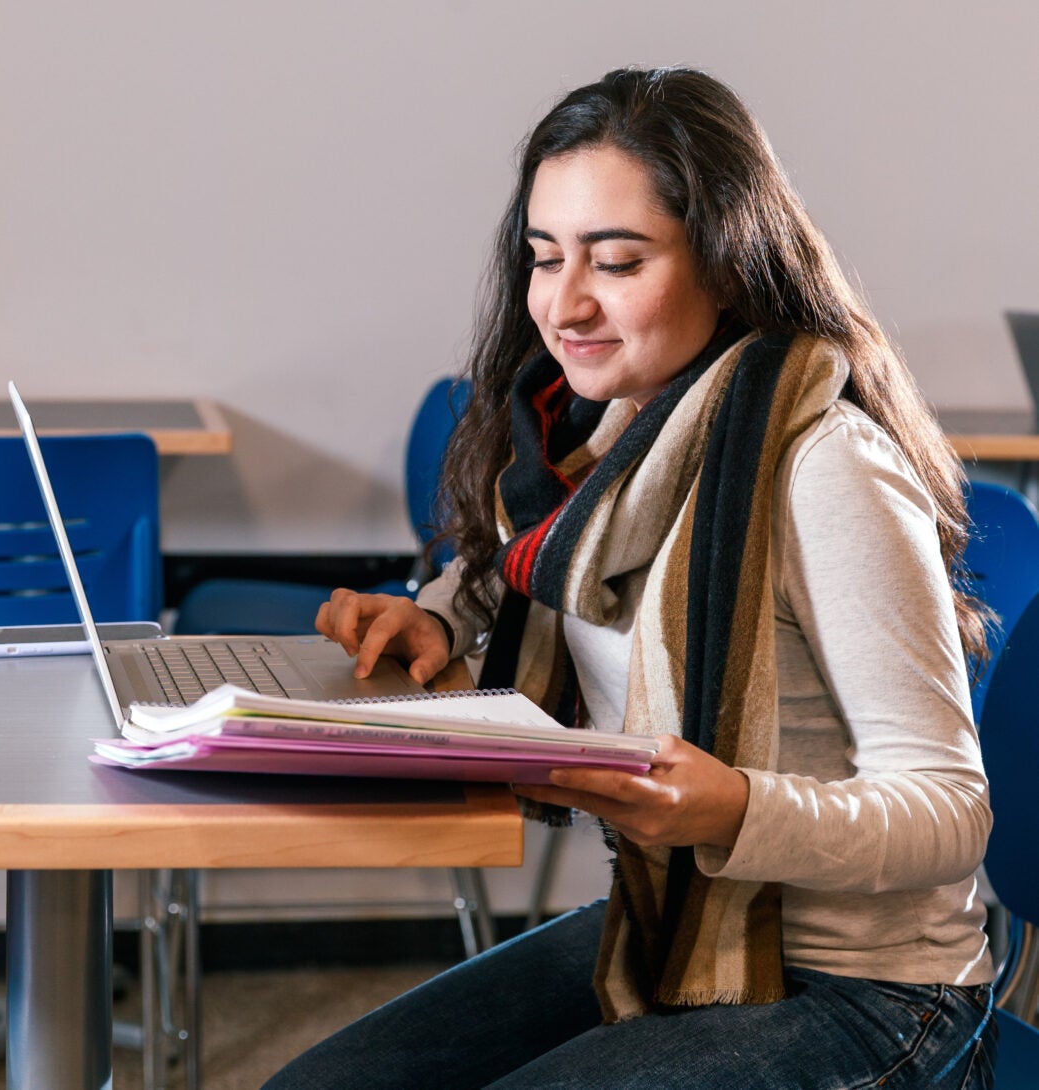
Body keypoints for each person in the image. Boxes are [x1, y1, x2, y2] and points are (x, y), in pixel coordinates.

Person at [263, 66, 997, 1089]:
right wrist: (436, 619)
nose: (564, 304)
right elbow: (517, 581)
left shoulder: (822, 465)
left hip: (867, 991)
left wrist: (734, 809)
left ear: (728, 264)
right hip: (676, 934)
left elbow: (949, 810)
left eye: (616, 260)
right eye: (543, 256)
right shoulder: (596, 436)